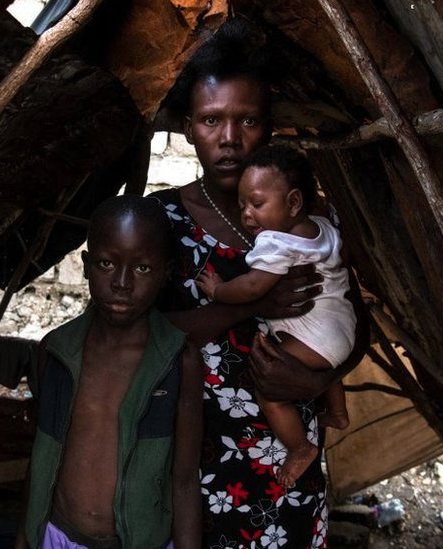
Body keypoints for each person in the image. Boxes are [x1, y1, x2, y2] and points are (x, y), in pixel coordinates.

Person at [151, 19, 365, 548]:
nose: (228, 139)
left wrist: (318, 383)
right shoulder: (159, 223)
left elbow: (356, 323)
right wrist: (250, 304)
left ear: (269, 127)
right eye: (210, 120)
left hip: (288, 467)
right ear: (186, 125)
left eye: (247, 121)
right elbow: (139, 337)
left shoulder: (307, 222)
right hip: (190, 464)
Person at [15, 196, 203, 549]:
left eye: (142, 268)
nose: (122, 282)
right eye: (105, 263)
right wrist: (24, 539)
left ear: (166, 271)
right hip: (58, 537)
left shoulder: (178, 361)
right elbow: (40, 458)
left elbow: (184, 480)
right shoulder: (55, 350)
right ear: (85, 266)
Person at [196, 145, 355, 488]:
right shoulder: (323, 228)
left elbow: (253, 287)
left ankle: (299, 448)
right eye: (242, 206)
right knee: (326, 366)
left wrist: (219, 291)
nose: (247, 215)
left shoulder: (276, 243)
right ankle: (338, 413)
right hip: (343, 329)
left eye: (256, 204)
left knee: (271, 390)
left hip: (316, 337)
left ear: (294, 203)